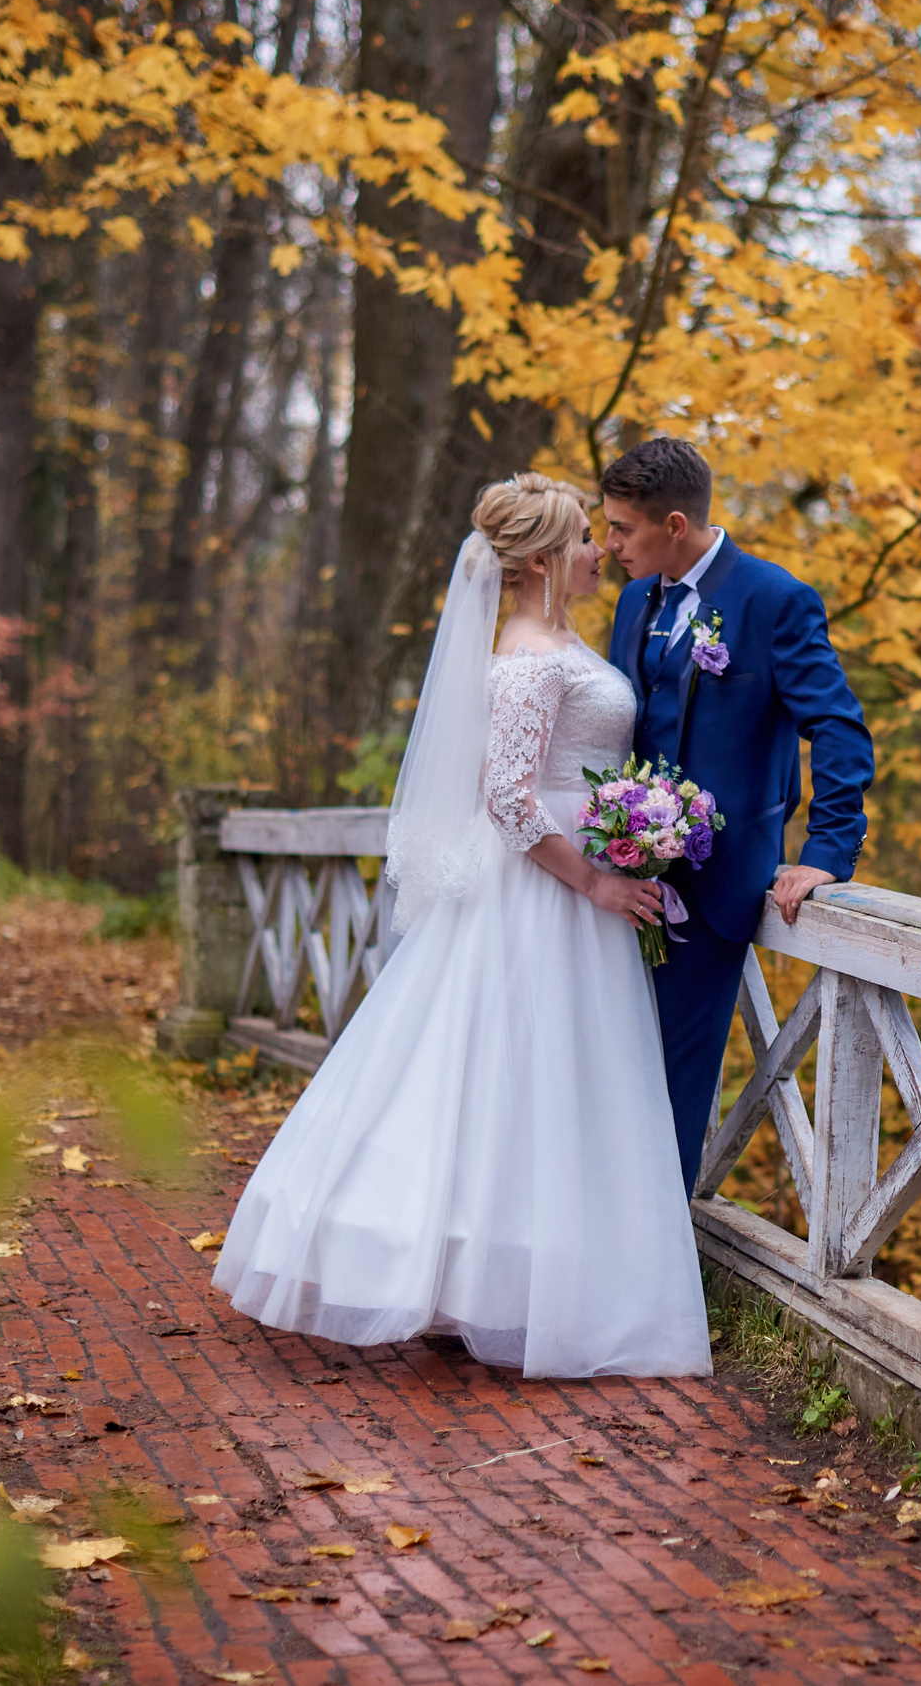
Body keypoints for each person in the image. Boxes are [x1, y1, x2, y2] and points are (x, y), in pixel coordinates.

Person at [211, 474, 713, 1379]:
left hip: (571, 884)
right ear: (547, 560)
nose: (602, 551)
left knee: (540, 1090)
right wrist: (596, 883)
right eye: (586, 541)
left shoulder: (563, 641)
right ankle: (461, 1276)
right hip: (543, 891)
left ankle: (509, 1283)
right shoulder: (526, 654)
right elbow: (510, 798)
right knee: (501, 1078)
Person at [602, 438, 876, 1197]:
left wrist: (826, 850)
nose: (609, 543)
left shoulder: (773, 599)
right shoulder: (634, 599)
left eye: (623, 529)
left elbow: (841, 728)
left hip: (715, 894)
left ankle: (651, 1280)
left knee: (673, 1095)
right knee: (600, 1079)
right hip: (617, 884)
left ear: (677, 525)